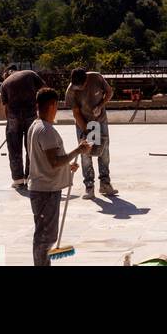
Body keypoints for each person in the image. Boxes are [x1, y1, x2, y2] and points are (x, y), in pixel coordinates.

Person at [27, 87, 91, 267]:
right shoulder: (46, 130)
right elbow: (54, 161)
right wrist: (77, 150)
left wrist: (67, 167)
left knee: (44, 234)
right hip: (46, 190)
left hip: (42, 187)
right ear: (53, 105)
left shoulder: (35, 126)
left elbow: (44, 161)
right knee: (46, 236)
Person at [65, 67, 116, 198]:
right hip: (83, 122)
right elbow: (76, 113)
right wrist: (87, 130)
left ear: (86, 80)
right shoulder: (71, 91)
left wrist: (100, 105)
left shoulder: (96, 78)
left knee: (103, 151)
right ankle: (89, 186)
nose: (79, 89)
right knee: (85, 153)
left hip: (100, 120)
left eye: (81, 86)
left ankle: (105, 183)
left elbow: (109, 92)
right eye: (77, 87)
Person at [0, 66, 44, 191]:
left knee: (14, 150)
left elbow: (6, 108)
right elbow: (45, 91)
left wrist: (10, 126)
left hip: (14, 118)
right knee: (32, 148)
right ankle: (30, 177)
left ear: (7, 73)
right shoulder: (30, 73)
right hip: (31, 116)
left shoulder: (4, 84)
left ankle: (18, 181)